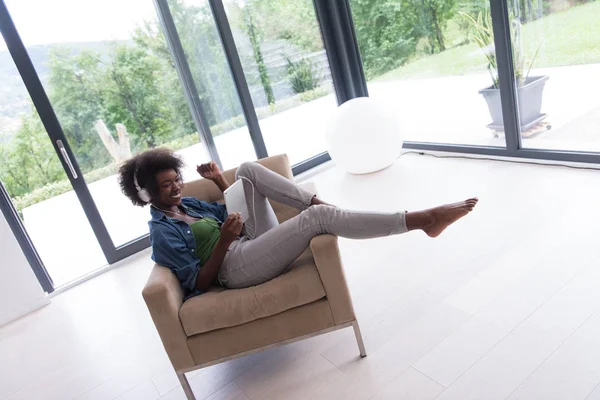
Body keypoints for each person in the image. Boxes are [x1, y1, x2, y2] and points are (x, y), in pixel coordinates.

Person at [118, 148, 478, 300]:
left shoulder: (188, 203)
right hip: (234, 268)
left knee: (244, 170)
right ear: (147, 195)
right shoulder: (161, 233)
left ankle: (316, 201)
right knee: (319, 220)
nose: (176, 187)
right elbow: (198, 282)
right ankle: (423, 220)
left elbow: (235, 208)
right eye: (166, 186)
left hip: (247, 241)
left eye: (176, 179)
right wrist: (226, 242)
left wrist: (219, 183)